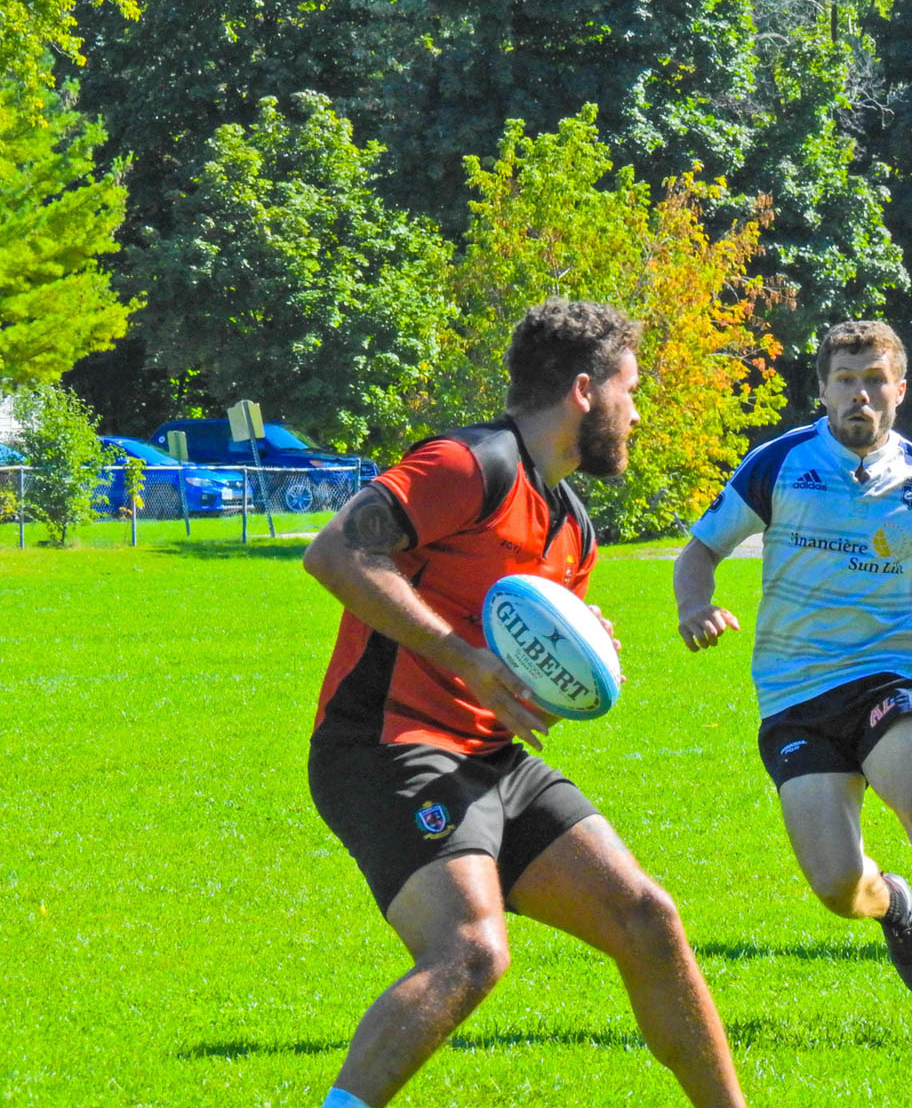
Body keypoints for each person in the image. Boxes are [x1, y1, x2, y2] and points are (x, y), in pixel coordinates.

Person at [302, 298, 745, 1108]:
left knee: (648, 919)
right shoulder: (468, 466)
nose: (637, 412)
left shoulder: (572, 528)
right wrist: (463, 658)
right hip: (385, 747)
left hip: (492, 759)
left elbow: (518, 649)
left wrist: (576, 648)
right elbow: (335, 551)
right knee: (470, 949)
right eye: (631, 390)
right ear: (585, 391)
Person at [673, 320, 912, 1040]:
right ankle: (889, 903)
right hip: (795, 698)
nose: (862, 395)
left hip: (891, 676)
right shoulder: (779, 465)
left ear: (900, 389)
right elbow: (698, 550)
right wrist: (695, 606)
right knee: (834, 886)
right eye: (846, 381)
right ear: (821, 389)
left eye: (876, 380)